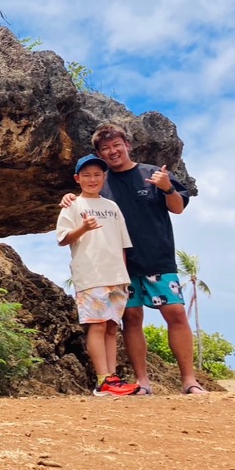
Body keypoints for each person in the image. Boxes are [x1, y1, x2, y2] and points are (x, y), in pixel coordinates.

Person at [62, 123, 205, 395]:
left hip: (158, 258)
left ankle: (189, 380)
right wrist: (69, 197)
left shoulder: (152, 173)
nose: (112, 151)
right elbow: (83, 200)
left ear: (128, 145)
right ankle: (142, 382)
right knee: (131, 318)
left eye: (116, 145)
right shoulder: (102, 182)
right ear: (100, 154)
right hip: (120, 265)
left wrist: (168, 189)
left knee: (175, 313)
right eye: (105, 149)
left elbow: (178, 209)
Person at [56, 154, 139, 396]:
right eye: (87, 175)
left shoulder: (112, 207)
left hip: (116, 276)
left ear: (104, 177)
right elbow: (62, 239)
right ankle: (102, 379)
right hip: (91, 274)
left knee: (112, 326)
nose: (92, 179)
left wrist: (124, 275)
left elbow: (122, 244)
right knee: (97, 325)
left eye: (97, 174)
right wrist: (83, 227)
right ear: (77, 178)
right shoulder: (73, 205)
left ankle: (112, 378)